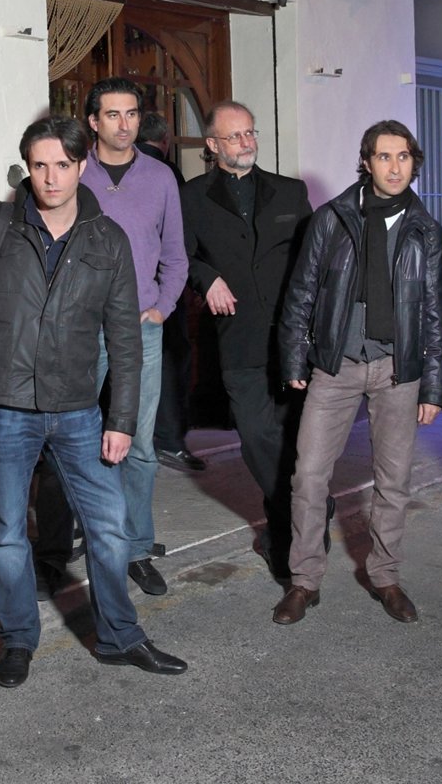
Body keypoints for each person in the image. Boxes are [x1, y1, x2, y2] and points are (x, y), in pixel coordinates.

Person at [0, 116, 187, 688]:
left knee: (110, 526)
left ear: (81, 166)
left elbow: (125, 339)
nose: (51, 178)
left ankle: (120, 637)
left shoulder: (107, 238)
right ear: (27, 166)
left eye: (63, 165)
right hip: (2, 405)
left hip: (77, 409)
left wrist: (121, 419)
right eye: (40, 165)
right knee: (5, 533)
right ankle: (18, 639)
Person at [277, 119, 442, 626]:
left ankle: (385, 576)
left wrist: (434, 385)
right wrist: (294, 358)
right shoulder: (331, 219)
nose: (394, 167)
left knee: (393, 481)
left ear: (414, 163)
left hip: (399, 369)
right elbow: (301, 291)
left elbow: (434, 313)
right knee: (308, 476)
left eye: (403, 157)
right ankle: (304, 581)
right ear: (367, 162)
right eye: (384, 157)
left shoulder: (426, 230)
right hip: (336, 364)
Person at [180, 101, 313, 573]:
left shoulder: (290, 192)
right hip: (238, 338)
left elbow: (314, 258)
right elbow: (179, 256)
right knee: (256, 435)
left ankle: (287, 537)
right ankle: (308, 508)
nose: (246, 142)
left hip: (295, 340)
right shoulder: (191, 197)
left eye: (250, 133)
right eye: (234, 136)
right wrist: (207, 278)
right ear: (212, 145)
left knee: (296, 439)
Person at [81, 78, 188, 595]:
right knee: (77, 438)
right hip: (81, 330)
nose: (124, 124)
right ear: (93, 121)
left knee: (140, 444)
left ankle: (137, 547)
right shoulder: (74, 171)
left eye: (131, 114)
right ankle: (89, 537)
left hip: (140, 330)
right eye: (112, 114)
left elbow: (176, 255)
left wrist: (162, 308)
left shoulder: (161, 176)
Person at [137, 111, 203, 471]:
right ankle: (169, 441)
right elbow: (177, 241)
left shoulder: (128, 171)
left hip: (134, 292)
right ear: (165, 140)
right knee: (170, 365)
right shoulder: (166, 174)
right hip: (162, 291)